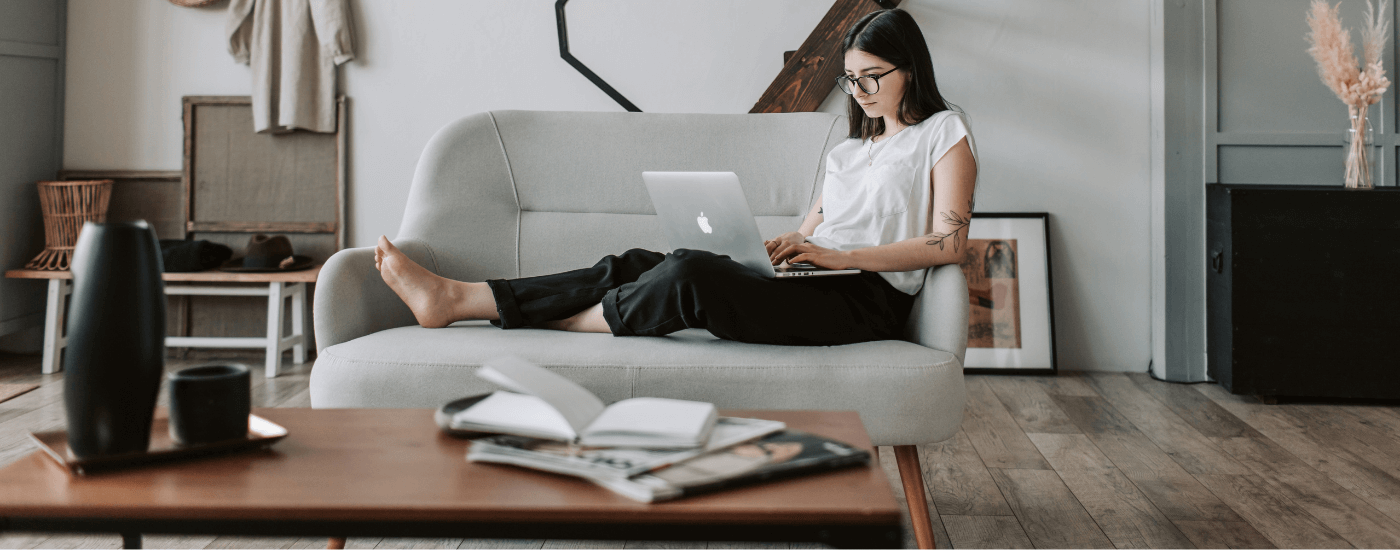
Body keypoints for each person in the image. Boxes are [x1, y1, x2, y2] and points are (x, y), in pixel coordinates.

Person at [374, 8, 978, 347]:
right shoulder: (848, 151)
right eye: (850, 78)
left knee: (688, 275)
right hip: (815, 281)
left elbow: (949, 244)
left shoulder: (943, 132)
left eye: (872, 76)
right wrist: (784, 249)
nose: (859, 91)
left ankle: (550, 319)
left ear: (909, 68)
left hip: (865, 302)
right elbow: (810, 230)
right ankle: (461, 298)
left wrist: (840, 258)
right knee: (641, 261)